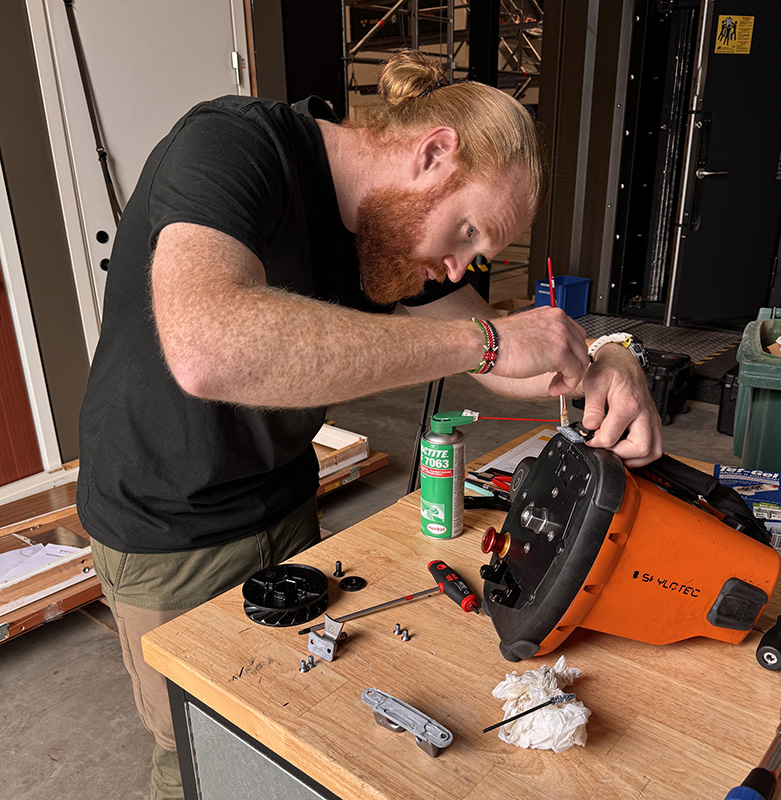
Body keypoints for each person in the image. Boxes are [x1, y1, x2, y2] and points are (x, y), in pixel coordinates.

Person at [76, 51, 661, 799]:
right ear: (432, 153)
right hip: (165, 526)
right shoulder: (232, 146)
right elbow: (206, 347)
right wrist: (482, 339)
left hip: (284, 502)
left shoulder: (384, 241)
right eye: (467, 232)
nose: (458, 270)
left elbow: (516, 357)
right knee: (201, 749)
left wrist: (616, 356)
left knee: (296, 719)